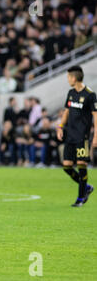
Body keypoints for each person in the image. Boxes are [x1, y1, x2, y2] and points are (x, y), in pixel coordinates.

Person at [56, 65, 97, 207]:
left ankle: (80, 199)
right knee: (66, 166)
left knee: (81, 164)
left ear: (74, 78)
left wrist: (96, 136)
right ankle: (86, 187)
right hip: (70, 135)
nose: (67, 80)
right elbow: (66, 111)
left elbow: (96, 116)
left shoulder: (90, 95)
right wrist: (60, 127)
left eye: (68, 77)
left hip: (82, 136)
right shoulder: (71, 93)